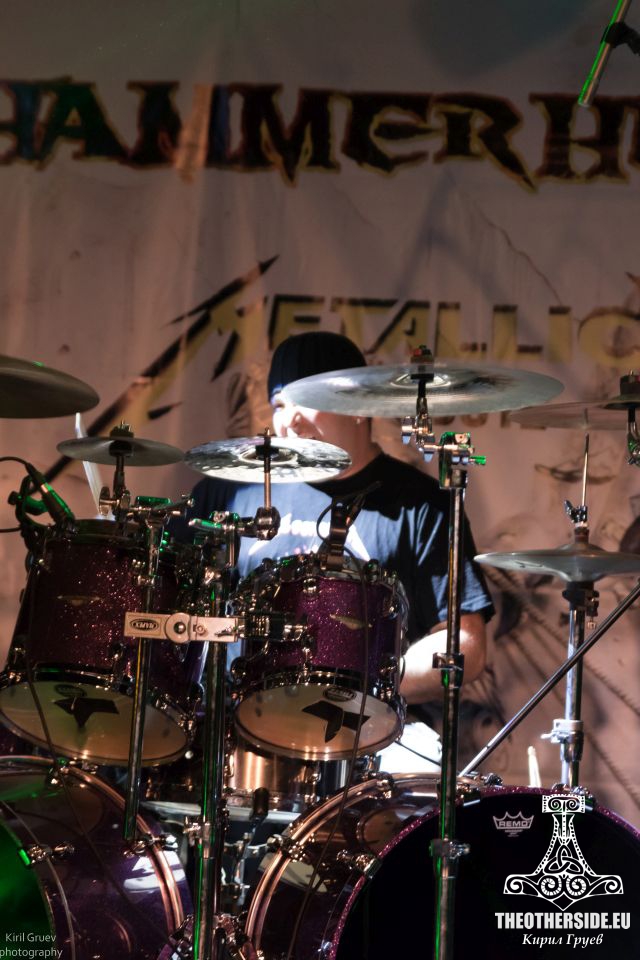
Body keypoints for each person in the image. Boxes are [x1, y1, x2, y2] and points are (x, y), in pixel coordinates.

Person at [184, 332, 494, 769]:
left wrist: (363, 687)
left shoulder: (420, 504)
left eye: (306, 400)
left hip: (366, 744)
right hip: (235, 745)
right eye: (278, 404)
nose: (289, 421)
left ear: (360, 406)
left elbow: (465, 645)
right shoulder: (228, 492)